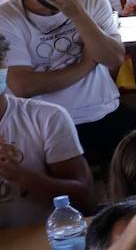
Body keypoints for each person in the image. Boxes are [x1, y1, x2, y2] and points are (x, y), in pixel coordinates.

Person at [0, 0, 136, 170]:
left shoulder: (93, 0)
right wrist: (87, 63)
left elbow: (113, 58)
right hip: (45, 124)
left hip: (103, 110)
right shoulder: (7, 16)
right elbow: (23, 85)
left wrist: (77, 14)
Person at [0, 34, 94, 224]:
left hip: (43, 242)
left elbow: (83, 198)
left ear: (4, 63)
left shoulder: (47, 118)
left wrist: (21, 176)